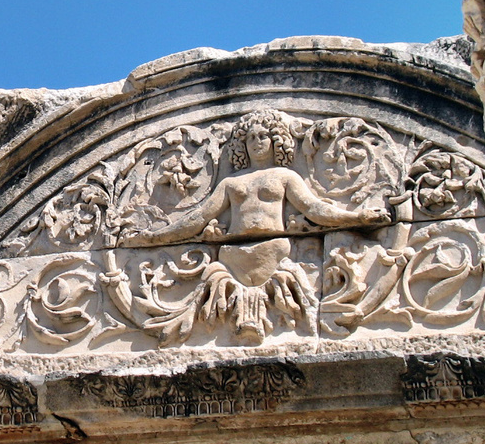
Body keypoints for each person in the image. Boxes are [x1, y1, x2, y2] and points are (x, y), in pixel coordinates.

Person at [121, 110, 389, 339]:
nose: (257, 142)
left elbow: (313, 209)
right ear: (241, 144)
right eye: (250, 138)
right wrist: (153, 237)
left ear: (277, 141)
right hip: (231, 261)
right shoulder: (231, 183)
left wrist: (357, 218)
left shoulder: (284, 176)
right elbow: (198, 219)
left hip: (275, 256)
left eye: (264, 136)